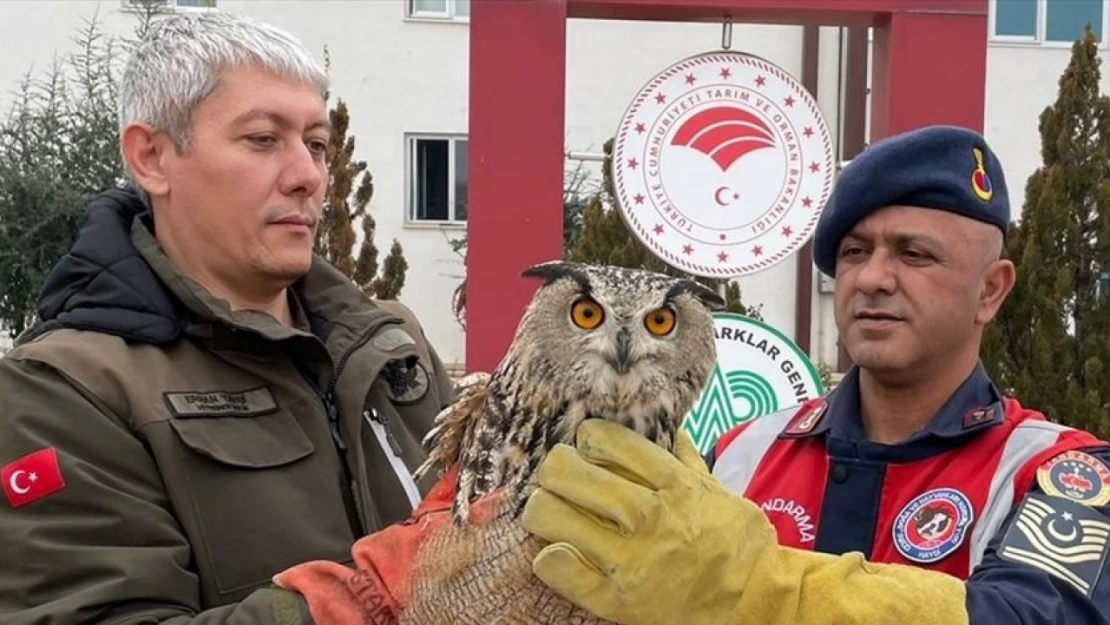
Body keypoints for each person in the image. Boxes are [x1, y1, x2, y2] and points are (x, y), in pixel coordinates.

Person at [520, 125, 1110, 625]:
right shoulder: (742, 452)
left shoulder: (1056, 473)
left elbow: (1024, 616)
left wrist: (757, 587)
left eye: (913, 254)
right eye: (854, 252)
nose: (873, 278)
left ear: (990, 290)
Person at [0, 12, 455, 625]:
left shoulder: (392, 344)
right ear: (152, 157)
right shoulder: (67, 388)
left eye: (317, 144)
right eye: (263, 139)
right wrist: (363, 599)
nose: (308, 177)